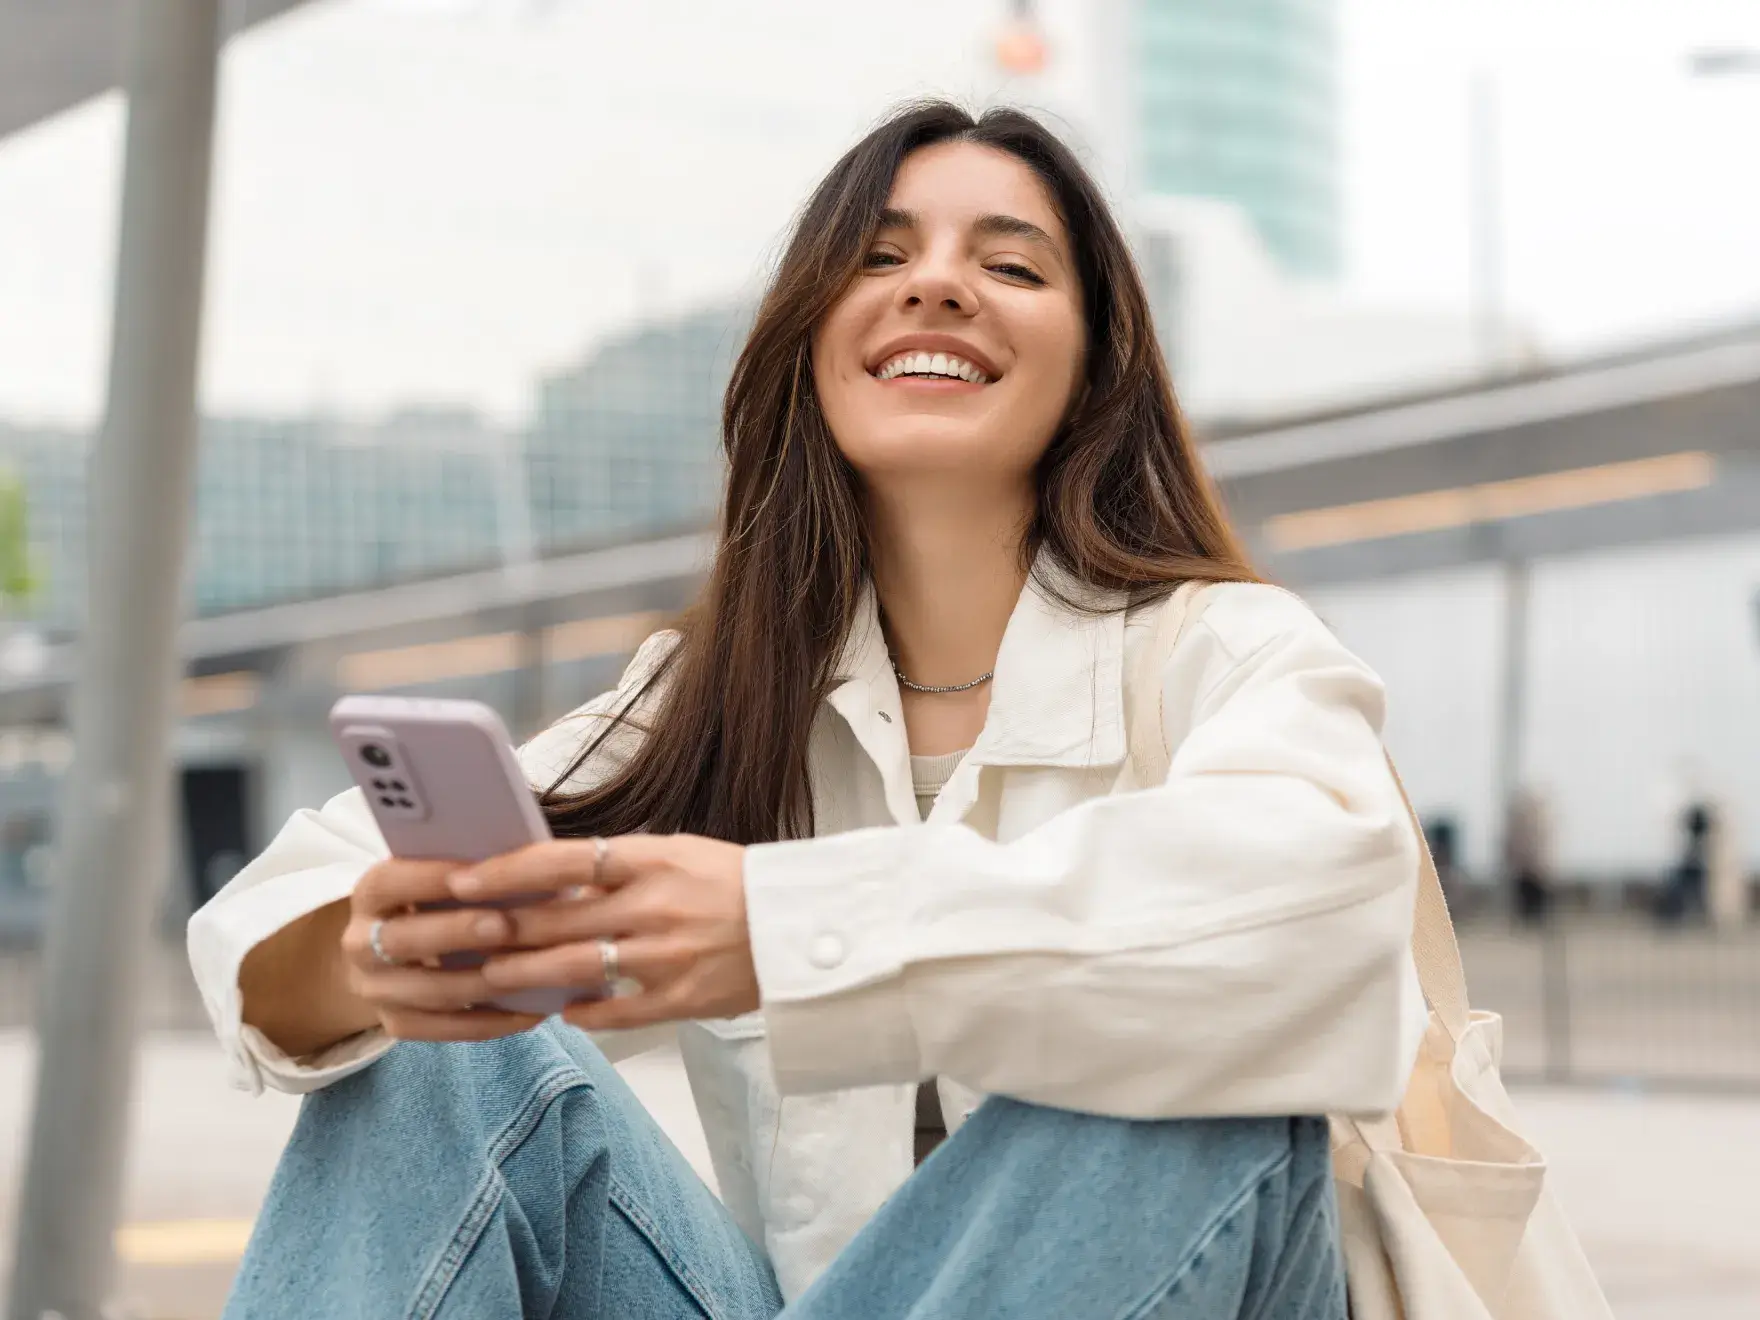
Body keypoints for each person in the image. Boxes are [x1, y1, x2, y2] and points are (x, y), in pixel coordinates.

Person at [189, 101, 1425, 1319]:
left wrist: (785, 931)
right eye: (879, 258)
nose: (935, 288)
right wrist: (375, 958)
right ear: (810, 341)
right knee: (437, 1058)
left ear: (1097, 362)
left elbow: (1329, 928)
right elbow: (275, 912)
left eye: (1007, 264)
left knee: (1190, 1059)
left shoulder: (1223, 650)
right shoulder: (726, 696)